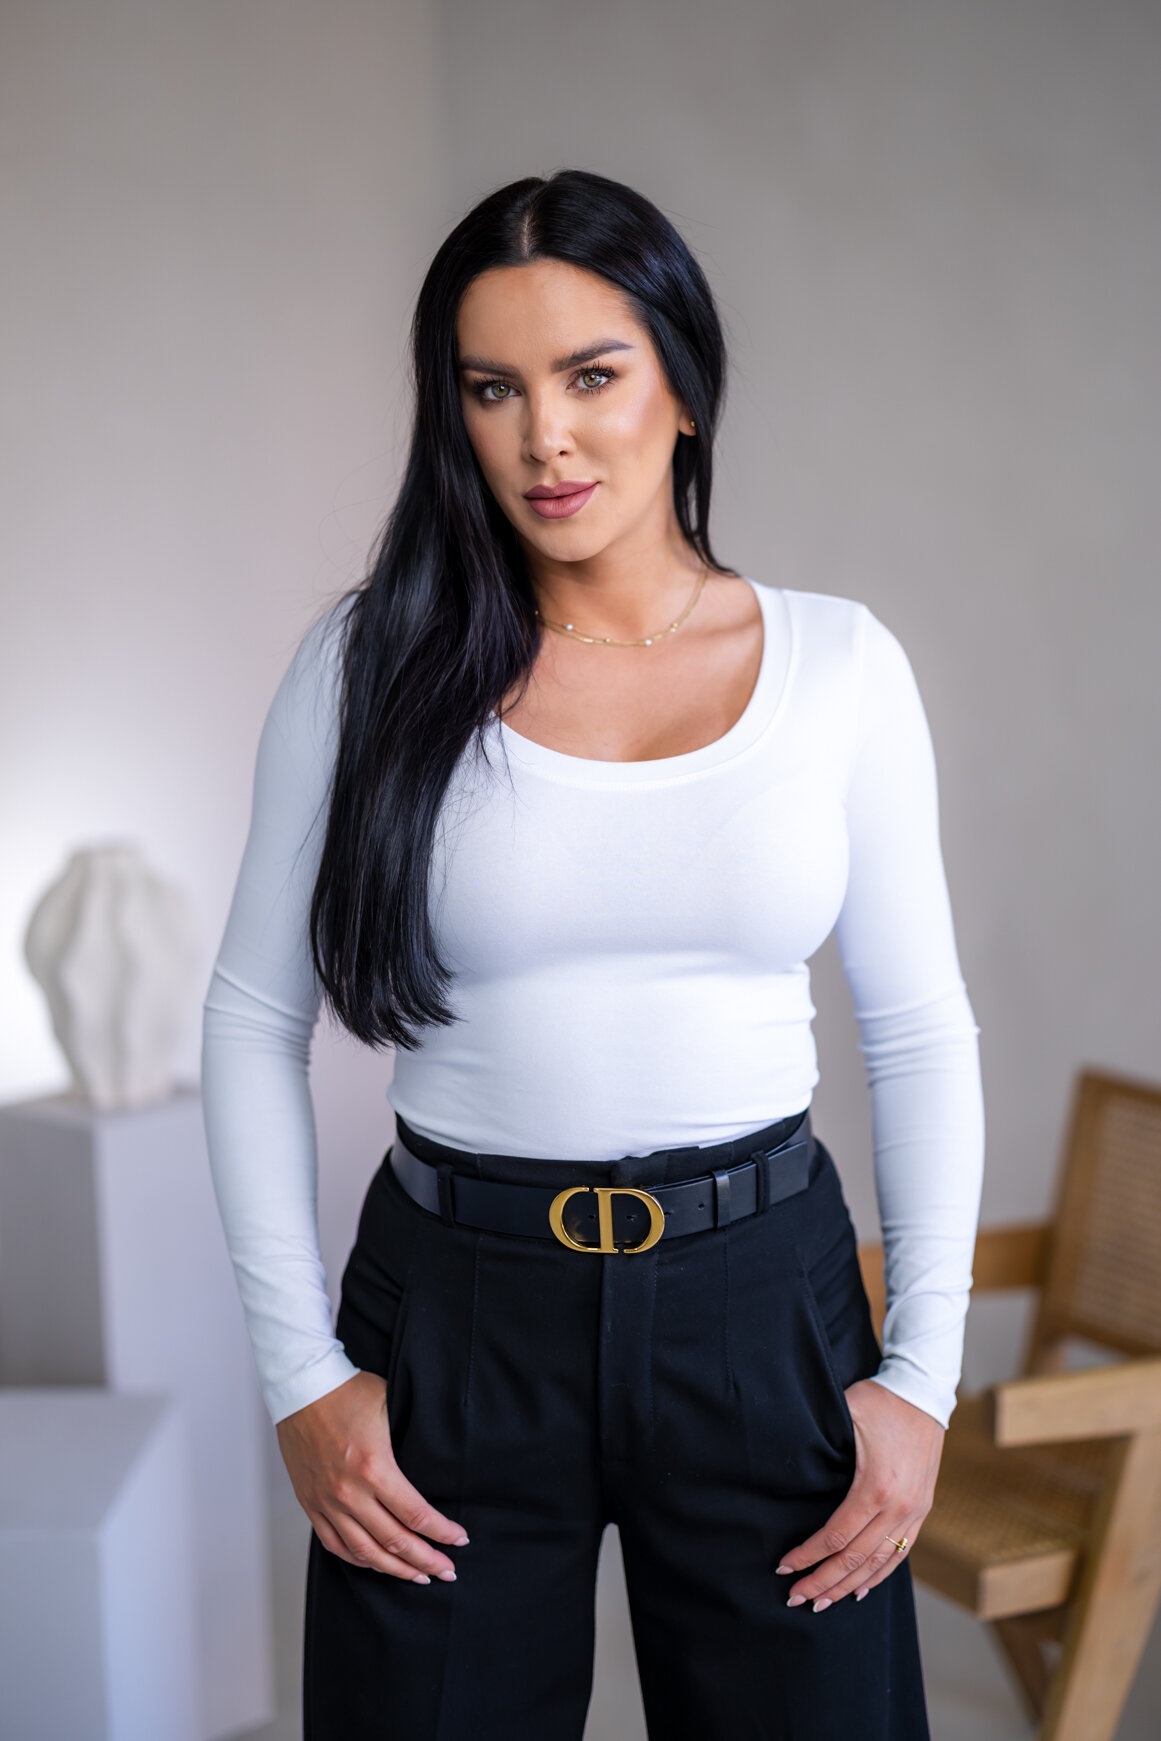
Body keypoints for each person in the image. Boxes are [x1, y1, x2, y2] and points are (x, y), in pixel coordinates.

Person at [202, 168, 984, 1740]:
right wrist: (299, 1376)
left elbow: (917, 1031)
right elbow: (247, 1019)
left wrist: (918, 1379)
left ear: (681, 385)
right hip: (456, 1312)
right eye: (491, 388)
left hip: (758, 1301)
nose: (542, 437)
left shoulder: (837, 665)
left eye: (589, 375)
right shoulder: (366, 664)